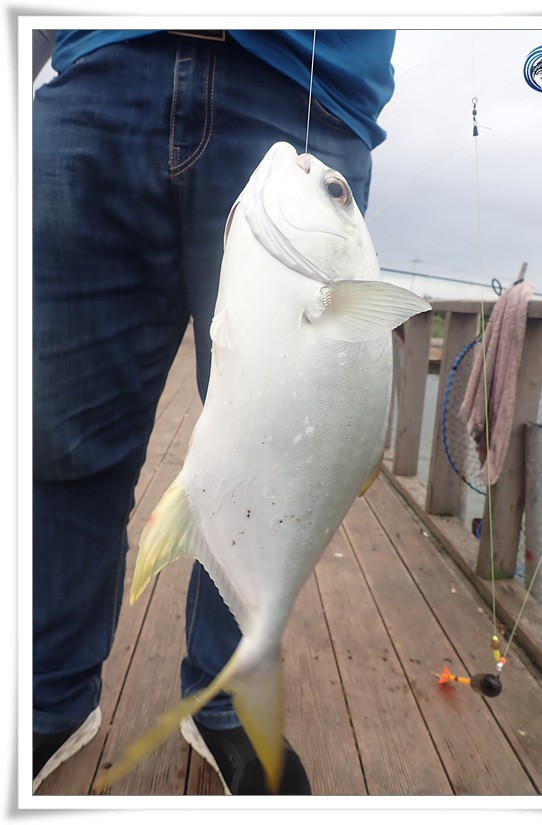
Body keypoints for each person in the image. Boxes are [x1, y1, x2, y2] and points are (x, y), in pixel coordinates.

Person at [33, 28, 396, 795]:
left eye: (332, 195)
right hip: (102, 57)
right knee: (57, 439)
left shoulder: (305, 172)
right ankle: (47, 695)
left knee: (276, 465)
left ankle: (225, 700)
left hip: (309, 82)